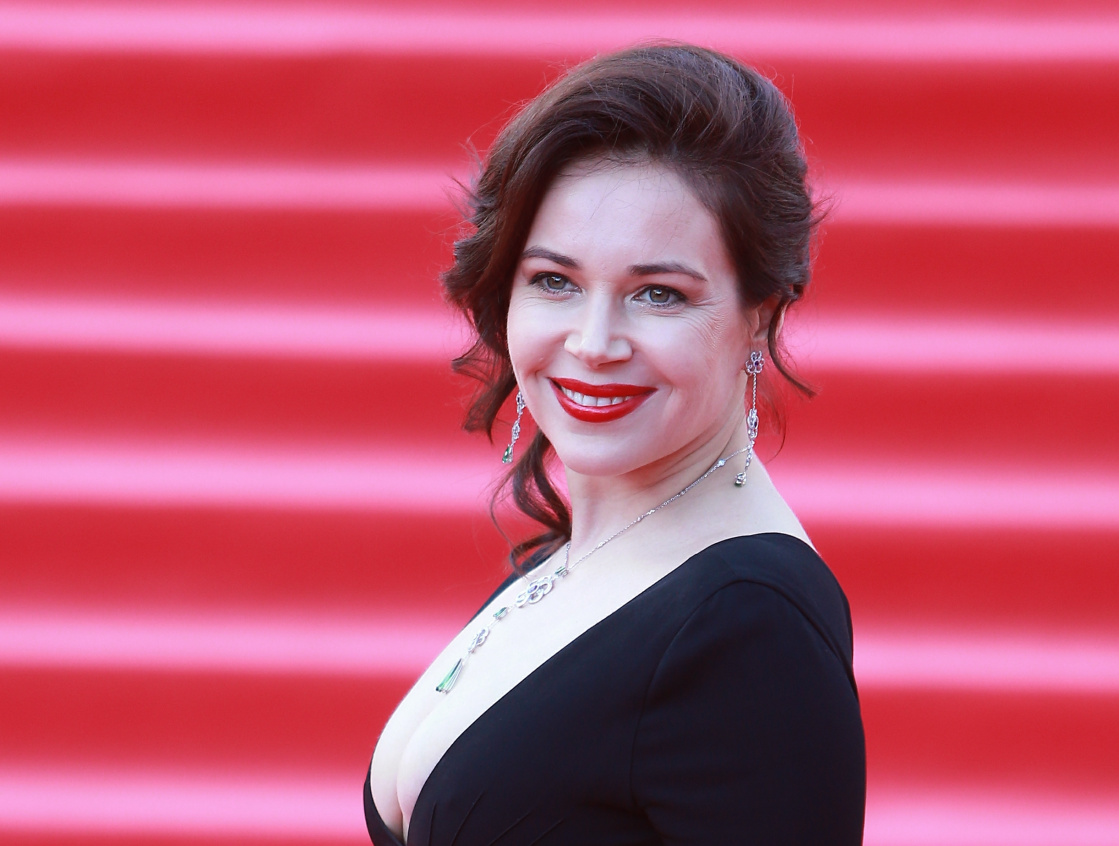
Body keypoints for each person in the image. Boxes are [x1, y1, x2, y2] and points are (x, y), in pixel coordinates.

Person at [365, 44, 865, 845]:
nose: (594, 344)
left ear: (760, 315)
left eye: (658, 293)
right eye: (554, 281)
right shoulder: (588, 553)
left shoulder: (749, 625)